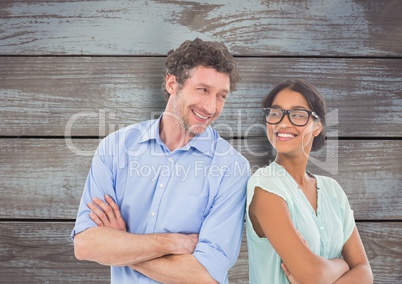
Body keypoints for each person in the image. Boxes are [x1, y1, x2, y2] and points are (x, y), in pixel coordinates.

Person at [71, 38, 250, 283]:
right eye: (203, 90)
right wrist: (175, 242)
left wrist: (122, 243)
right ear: (172, 83)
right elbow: (86, 245)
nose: (211, 106)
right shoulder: (116, 148)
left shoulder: (232, 168)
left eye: (222, 96)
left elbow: (204, 276)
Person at [246, 79, 373, 283]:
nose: (283, 123)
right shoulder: (265, 185)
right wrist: (342, 265)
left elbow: (365, 273)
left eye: (297, 115)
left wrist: (326, 272)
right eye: (275, 113)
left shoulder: (333, 190)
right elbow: (312, 275)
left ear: (317, 127)